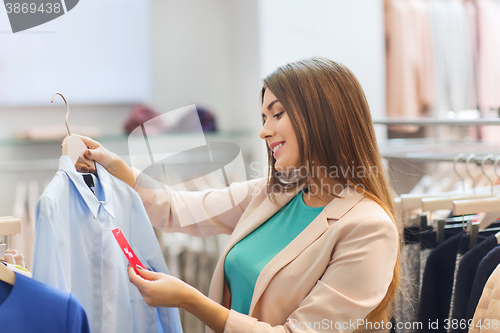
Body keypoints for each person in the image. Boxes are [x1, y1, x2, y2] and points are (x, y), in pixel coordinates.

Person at [76, 57, 402, 333]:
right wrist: (115, 167)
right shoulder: (274, 193)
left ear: (323, 115)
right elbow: (178, 209)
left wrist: (190, 300)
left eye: (277, 114)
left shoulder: (369, 229)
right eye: (263, 118)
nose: (264, 130)